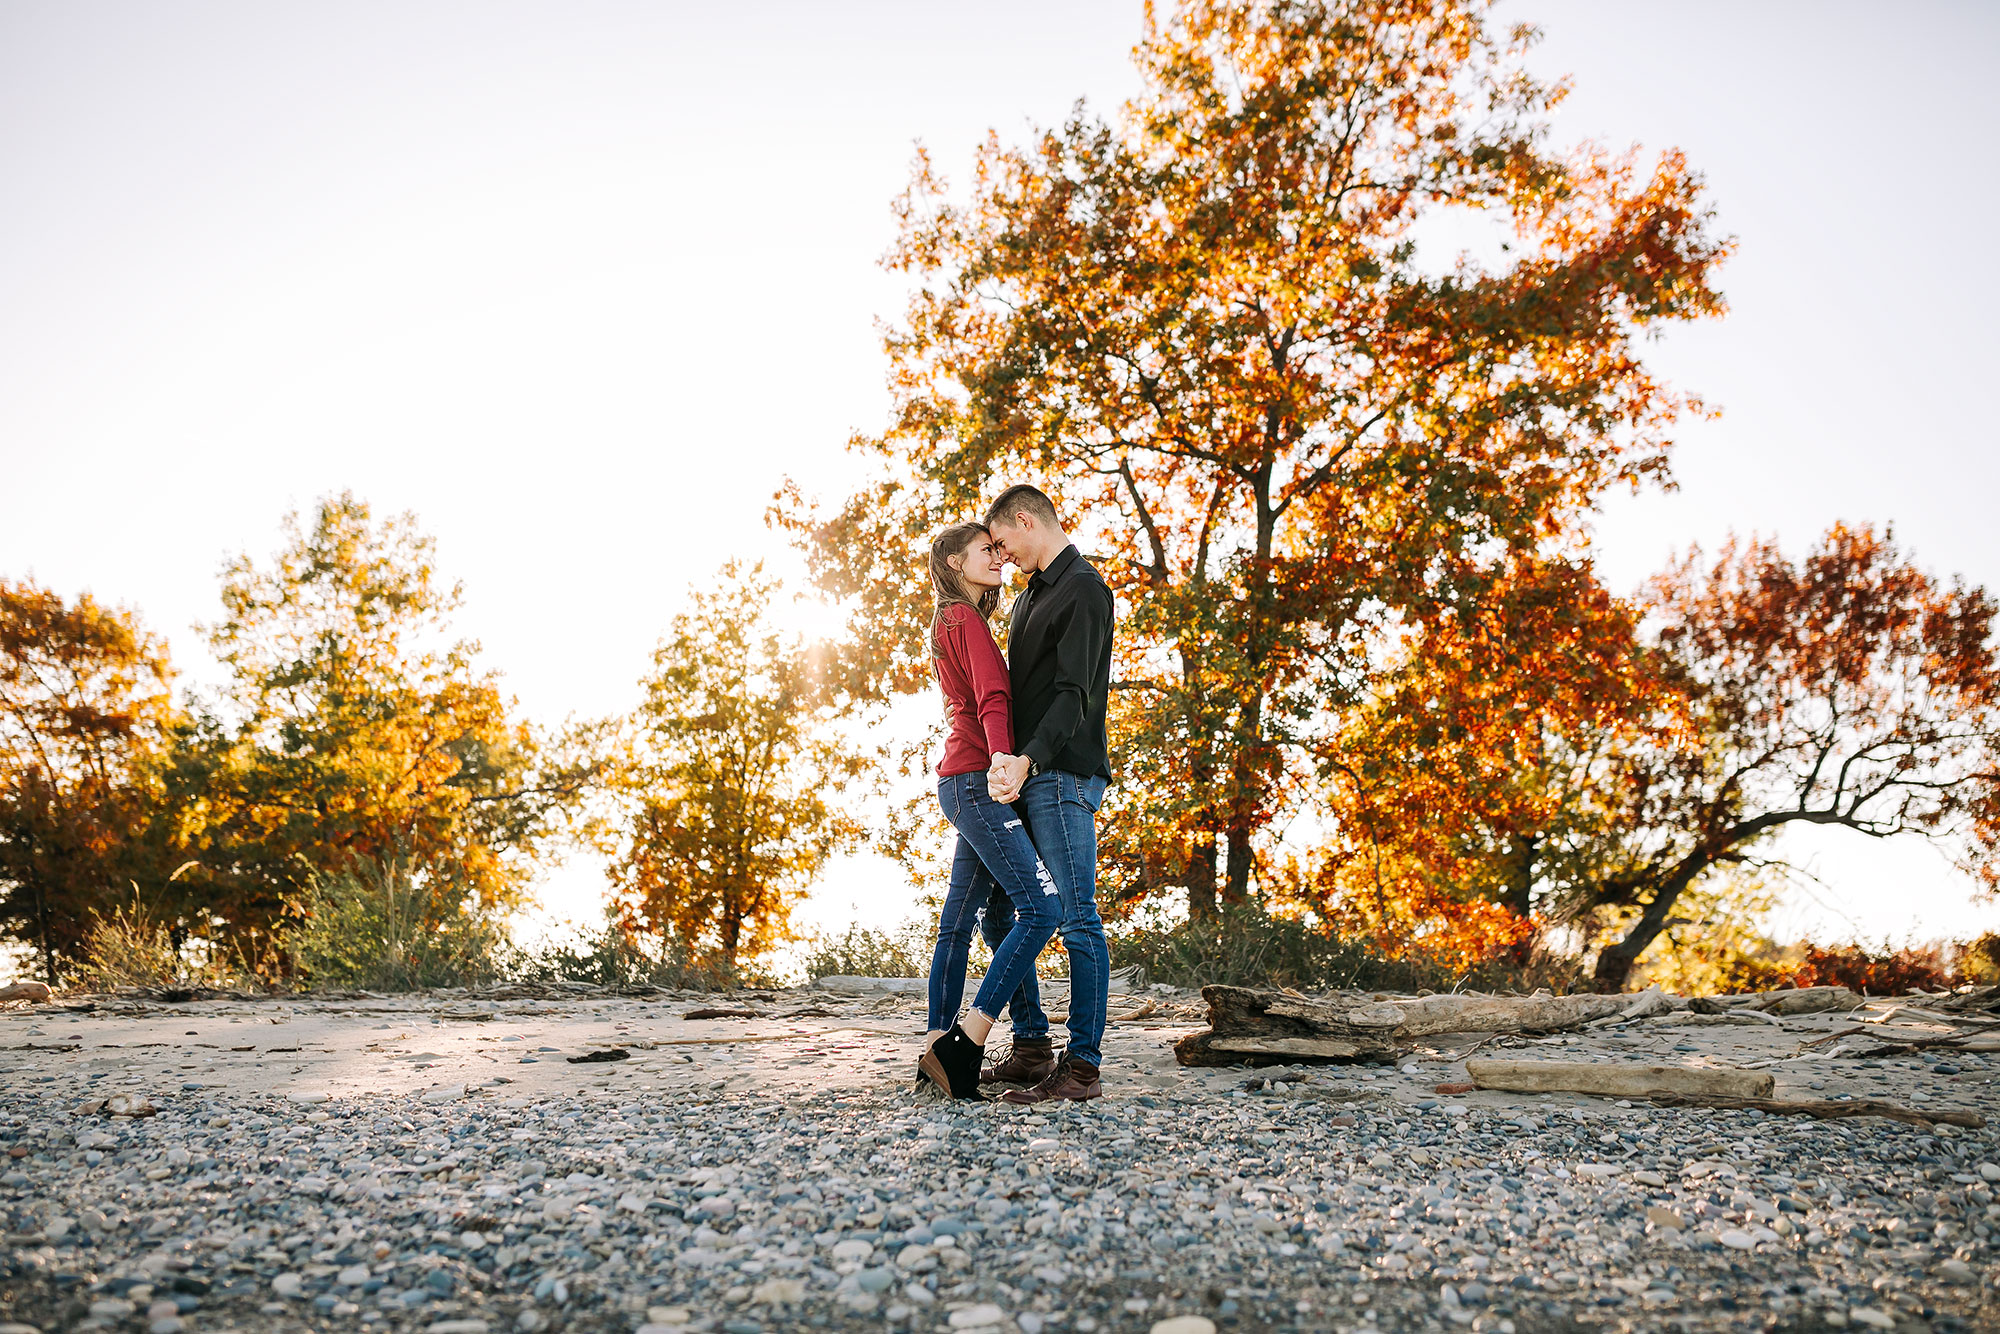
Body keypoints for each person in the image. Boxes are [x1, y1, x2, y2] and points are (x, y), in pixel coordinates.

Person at [979, 484, 1115, 1105]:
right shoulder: (1029, 596)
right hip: (1027, 774)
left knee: (1079, 918)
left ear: (1026, 521)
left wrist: (1029, 759)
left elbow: (1073, 694)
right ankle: (1033, 1047)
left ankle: (1081, 1068)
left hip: (1061, 775)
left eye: (1003, 542)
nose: (1001, 556)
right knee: (1006, 911)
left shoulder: (1084, 589)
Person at [918, 521, 1062, 1099]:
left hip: (961, 779)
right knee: (1043, 909)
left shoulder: (948, 620)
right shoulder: (963, 617)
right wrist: (1004, 757)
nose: (998, 557)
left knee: (958, 918)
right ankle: (966, 1041)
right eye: (986, 550)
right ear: (956, 564)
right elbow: (992, 697)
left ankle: (935, 1048)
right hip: (978, 779)